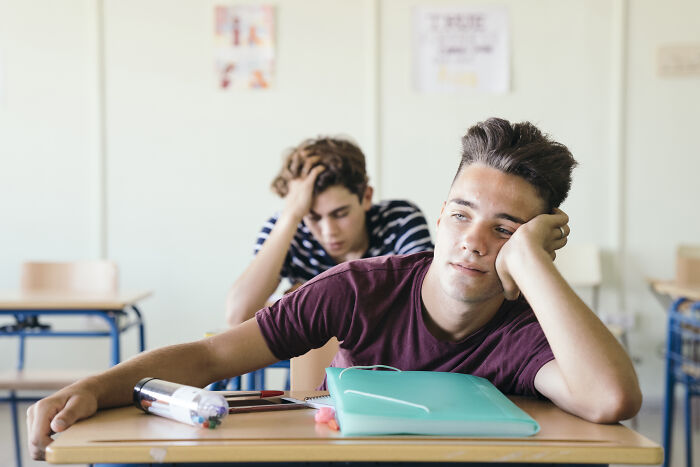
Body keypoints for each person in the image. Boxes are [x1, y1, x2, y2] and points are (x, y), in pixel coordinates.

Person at [27, 118, 642, 461]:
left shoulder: (524, 328)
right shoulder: (357, 289)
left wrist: (532, 265)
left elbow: (609, 398)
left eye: (504, 229)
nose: (474, 241)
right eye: (461, 213)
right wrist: (92, 387)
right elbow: (213, 355)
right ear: (437, 214)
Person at [226, 136, 434, 326]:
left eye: (340, 214)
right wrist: (291, 216)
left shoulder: (400, 218)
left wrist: (312, 298)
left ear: (367, 197)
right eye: (313, 217)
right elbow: (238, 316)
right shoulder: (286, 228)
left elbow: (429, 303)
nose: (328, 232)